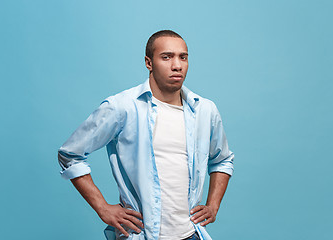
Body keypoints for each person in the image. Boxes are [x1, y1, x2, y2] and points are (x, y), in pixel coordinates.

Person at [58, 30, 234, 240]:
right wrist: (102, 208)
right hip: (141, 235)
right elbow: (70, 154)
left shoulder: (205, 110)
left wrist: (213, 205)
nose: (177, 65)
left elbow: (222, 160)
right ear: (148, 63)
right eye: (166, 57)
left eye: (183, 57)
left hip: (191, 235)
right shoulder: (122, 107)